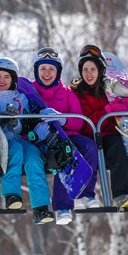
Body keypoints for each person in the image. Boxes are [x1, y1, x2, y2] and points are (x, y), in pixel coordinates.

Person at [71, 44, 128, 212]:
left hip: (122, 130)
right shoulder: (78, 92)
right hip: (100, 134)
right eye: (85, 70)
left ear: (100, 70)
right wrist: (108, 111)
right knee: (117, 147)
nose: (89, 74)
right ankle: (122, 193)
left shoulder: (111, 87)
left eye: (92, 69)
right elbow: (86, 120)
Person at [31, 46, 100, 225]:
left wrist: (62, 120)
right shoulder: (30, 91)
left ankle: (85, 193)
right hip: (40, 139)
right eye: (43, 69)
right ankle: (63, 207)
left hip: (66, 135)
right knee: (63, 152)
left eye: (51, 69)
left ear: (58, 71)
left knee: (89, 147)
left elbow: (79, 122)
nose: (47, 73)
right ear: (37, 71)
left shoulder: (67, 93)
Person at [0, 57, 54, 224]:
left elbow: (23, 125)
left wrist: (15, 124)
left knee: (33, 155)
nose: (2, 80)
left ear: (13, 79)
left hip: (15, 136)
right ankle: (11, 195)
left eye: (7, 77)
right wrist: (0, 121)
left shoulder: (20, 98)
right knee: (15, 150)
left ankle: (41, 207)